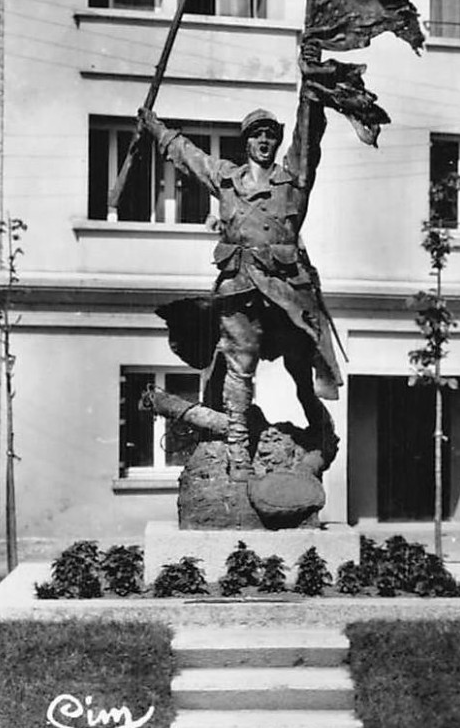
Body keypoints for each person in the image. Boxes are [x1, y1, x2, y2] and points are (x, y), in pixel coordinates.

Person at [136, 94, 341, 482]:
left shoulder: (293, 180)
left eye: (270, 136)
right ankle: (238, 451)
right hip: (240, 287)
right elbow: (188, 155)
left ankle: (320, 433)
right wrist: (155, 128)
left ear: (277, 143)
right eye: (256, 135)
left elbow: (308, 136)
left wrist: (310, 90)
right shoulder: (227, 179)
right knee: (239, 365)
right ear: (246, 142)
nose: (264, 141)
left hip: (284, 293)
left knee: (302, 366)